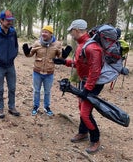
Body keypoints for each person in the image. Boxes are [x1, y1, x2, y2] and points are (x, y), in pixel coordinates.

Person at [53, 19, 104, 154]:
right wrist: (64, 62)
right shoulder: (82, 44)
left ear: (77, 30)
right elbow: (80, 63)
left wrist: (87, 89)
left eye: (71, 31)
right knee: (81, 107)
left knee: (85, 113)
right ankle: (83, 132)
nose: (71, 34)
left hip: (92, 84)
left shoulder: (92, 47)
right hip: (85, 81)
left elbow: (95, 71)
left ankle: (95, 139)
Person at [22, 25, 62, 116]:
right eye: (43, 32)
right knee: (36, 90)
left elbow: (60, 57)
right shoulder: (37, 43)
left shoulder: (57, 44)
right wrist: (26, 52)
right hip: (37, 71)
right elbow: (30, 55)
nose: (43, 34)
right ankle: (35, 106)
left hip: (49, 73)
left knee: (47, 91)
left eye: (46, 32)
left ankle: (47, 107)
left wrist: (64, 55)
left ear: (51, 34)